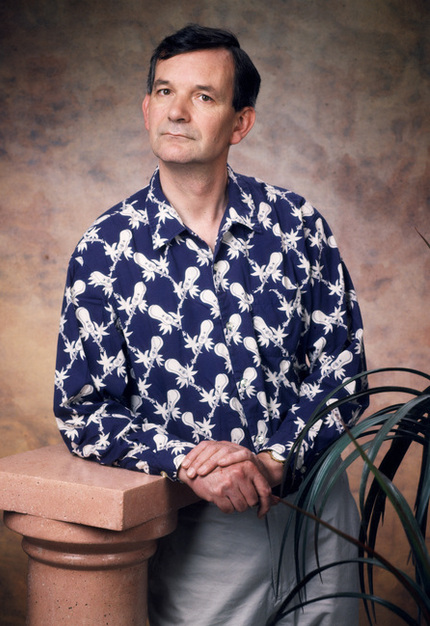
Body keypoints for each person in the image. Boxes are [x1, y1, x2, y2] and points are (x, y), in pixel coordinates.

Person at [54, 24, 368, 625]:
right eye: (164, 92)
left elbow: (343, 370)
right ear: (146, 110)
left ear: (240, 122)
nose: (177, 111)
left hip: (319, 515)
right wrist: (187, 461)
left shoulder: (297, 225)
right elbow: (83, 412)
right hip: (203, 536)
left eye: (203, 96)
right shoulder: (104, 251)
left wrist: (276, 458)